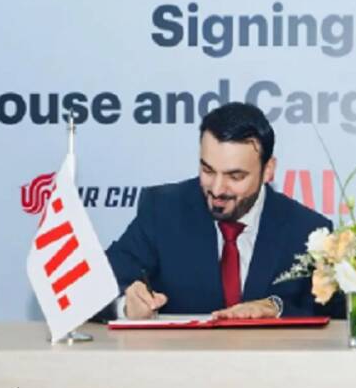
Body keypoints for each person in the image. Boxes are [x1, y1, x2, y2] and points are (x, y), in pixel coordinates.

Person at [104, 102, 331, 320]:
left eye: (235, 176)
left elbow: (334, 312)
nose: (217, 189)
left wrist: (278, 308)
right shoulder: (162, 211)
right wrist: (126, 307)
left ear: (268, 170)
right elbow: (95, 286)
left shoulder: (308, 232)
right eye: (208, 170)